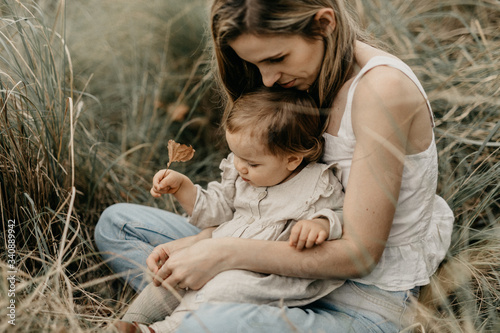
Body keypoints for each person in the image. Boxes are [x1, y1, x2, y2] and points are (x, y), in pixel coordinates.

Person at [95, 0, 454, 331]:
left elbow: (359, 256)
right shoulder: (305, 77)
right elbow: (265, 206)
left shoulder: (382, 90)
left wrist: (221, 253)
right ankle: (203, 297)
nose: (266, 79)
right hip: (269, 262)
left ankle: (197, 311)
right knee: (118, 224)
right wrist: (203, 242)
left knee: (217, 321)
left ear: (324, 23)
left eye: (276, 58)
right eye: (255, 64)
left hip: (355, 299)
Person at [118, 87, 344, 332]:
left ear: (292, 159)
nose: (240, 167)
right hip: (216, 250)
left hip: (263, 275)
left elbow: (343, 214)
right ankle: (130, 321)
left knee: (223, 287)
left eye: (252, 162)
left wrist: (321, 223)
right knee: (174, 269)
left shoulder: (316, 185)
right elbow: (216, 209)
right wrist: (183, 188)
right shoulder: (240, 174)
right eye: (235, 155)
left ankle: (163, 330)